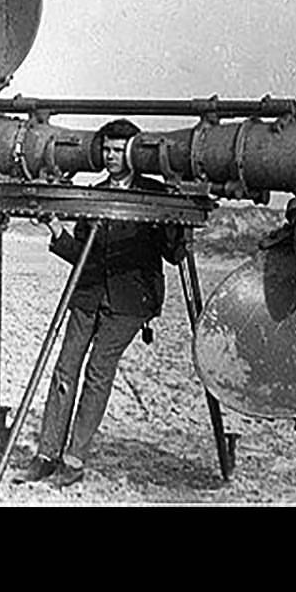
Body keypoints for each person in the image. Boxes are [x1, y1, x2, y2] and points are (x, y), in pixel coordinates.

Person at [13, 119, 188, 489]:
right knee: (65, 369)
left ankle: (74, 460)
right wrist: (55, 228)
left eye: (118, 150)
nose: (110, 156)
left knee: (98, 371)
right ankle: (46, 455)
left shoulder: (157, 192)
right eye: (106, 149)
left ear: (133, 152)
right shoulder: (94, 194)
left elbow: (174, 255)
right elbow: (84, 255)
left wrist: (178, 215)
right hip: (89, 294)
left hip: (130, 301)